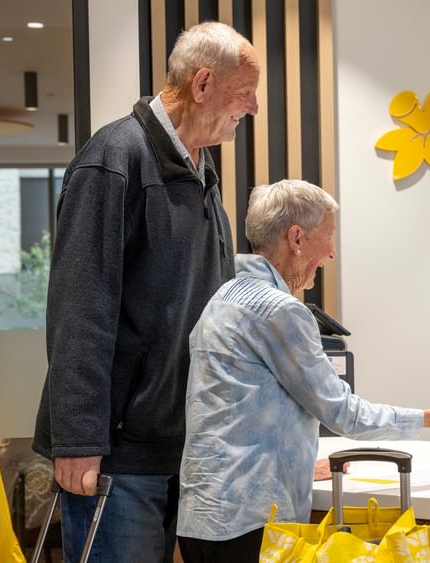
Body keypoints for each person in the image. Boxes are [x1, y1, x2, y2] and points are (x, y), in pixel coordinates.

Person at [31, 22, 259, 562]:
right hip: (118, 453)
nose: (252, 108)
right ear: (202, 84)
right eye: (244, 92)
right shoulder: (114, 159)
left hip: (184, 444)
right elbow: (80, 308)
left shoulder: (200, 169)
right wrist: (79, 440)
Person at [176, 179, 430, 563]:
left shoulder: (223, 298)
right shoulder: (280, 311)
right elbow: (344, 414)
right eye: (328, 236)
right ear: (296, 239)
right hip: (250, 524)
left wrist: (299, 461)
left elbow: (237, 411)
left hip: (204, 516)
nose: (332, 252)